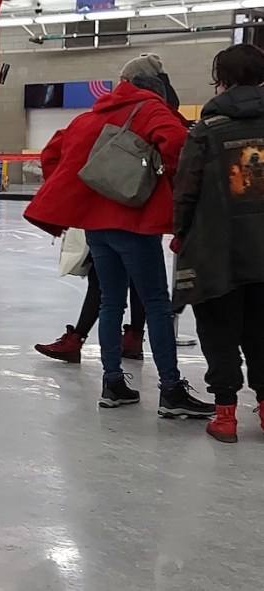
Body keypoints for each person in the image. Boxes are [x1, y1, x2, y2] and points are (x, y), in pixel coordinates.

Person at [23, 57, 214, 419]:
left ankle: (113, 383)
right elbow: (179, 146)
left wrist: (80, 196)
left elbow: (52, 153)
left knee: (111, 302)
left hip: (96, 228)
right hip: (133, 224)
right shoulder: (150, 110)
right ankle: (171, 390)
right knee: (156, 304)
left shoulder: (89, 116)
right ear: (155, 85)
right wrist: (169, 185)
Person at [171, 44, 264, 443]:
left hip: (217, 247)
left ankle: (225, 415)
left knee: (218, 328)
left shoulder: (206, 130)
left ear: (221, 78)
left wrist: (181, 232)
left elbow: (186, 189)